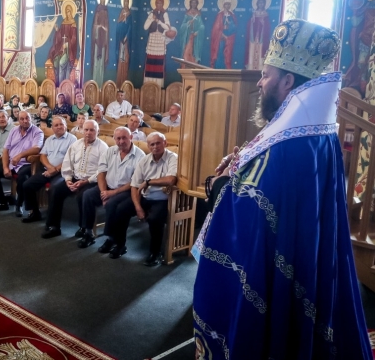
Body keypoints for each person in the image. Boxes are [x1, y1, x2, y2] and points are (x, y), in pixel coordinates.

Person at [193, 19, 371, 358]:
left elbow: (254, 211)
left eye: (265, 75)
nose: (260, 83)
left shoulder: (289, 146)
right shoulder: (320, 133)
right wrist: (242, 160)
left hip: (279, 266)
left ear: (288, 80)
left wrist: (217, 188)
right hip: (309, 254)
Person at [109, 132, 177, 265]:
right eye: (152, 144)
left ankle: (155, 253)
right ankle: (120, 245)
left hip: (163, 199)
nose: (155, 146)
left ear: (165, 143)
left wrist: (148, 182)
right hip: (146, 197)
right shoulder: (144, 161)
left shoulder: (172, 158)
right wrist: (138, 207)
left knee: (155, 219)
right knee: (121, 209)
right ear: (148, 146)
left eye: (158, 143)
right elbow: (134, 186)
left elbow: (171, 179)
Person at [78, 126, 145, 249]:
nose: (121, 141)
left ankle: (111, 238)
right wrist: (104, 192)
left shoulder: (140, 156)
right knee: (87, 195)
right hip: (107, 186)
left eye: (124, 138)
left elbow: (135, 182)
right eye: (118, 138)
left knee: (112, 203)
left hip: (126, 190)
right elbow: (101, 173)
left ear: (131, 137)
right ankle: (88, 233)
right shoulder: (109, 151)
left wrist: (112, 193)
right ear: (114, 139)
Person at [39, 120, 108, 238]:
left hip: (91, 181)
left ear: (98, 131)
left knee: (83, 195)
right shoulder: (76, 145)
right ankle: (54, 226)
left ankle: (84, 228)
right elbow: (67, 163)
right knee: (56, 190)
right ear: (82, 131)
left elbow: (102, 171)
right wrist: (68, 179)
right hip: (74, 178)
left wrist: (86, 181)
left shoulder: (103, 147)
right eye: (86, 130)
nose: (88, 133)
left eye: (92, 130)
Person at [0, 111, 43, 211]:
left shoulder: (37, 132)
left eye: (27, 118)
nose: (25, 121)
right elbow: (6, 149)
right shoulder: (14, 130)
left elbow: (37, 148)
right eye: (22, 119)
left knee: (22, 176)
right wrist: (5, 167)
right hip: (11, 162)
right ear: (18, 120)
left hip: (26, 163)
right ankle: (2, 202)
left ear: (30, 118)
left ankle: (19, 205)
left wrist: (20, 155)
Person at [19, 116, 76, 221]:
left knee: (54, 189)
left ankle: (52, 220)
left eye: (61, 124)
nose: (59, 127)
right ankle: (35, 213)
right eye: (56, 125)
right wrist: (50, 168)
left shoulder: (72, 139)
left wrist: (55, 170)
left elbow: (70, 159)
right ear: (52, 128)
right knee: (27, 185)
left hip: (63, 172)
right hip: (48, 170)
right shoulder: (50, 139)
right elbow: (43, 156)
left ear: (66, 126)